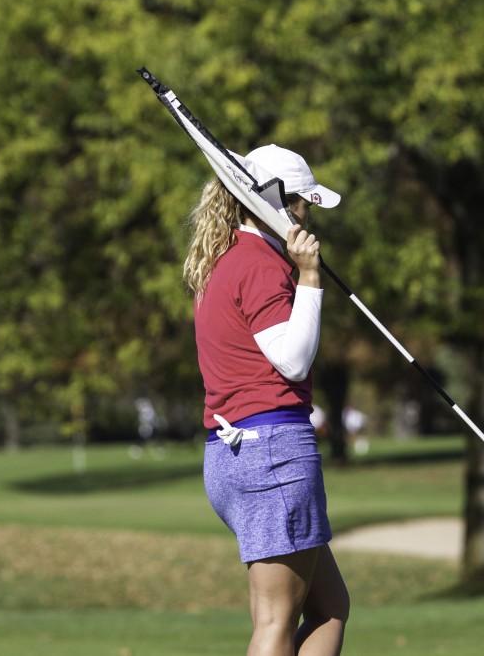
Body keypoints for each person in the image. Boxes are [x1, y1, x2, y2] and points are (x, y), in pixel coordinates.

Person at [184, 144, 350, 656]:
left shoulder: (227, 259)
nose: (306, 216)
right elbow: (293, 360)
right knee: (277, 621)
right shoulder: (258, 263)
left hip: (238, 454)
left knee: (329, 605)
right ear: (277, 201)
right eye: (303, 203)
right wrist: (310, 276)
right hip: (272, 452)